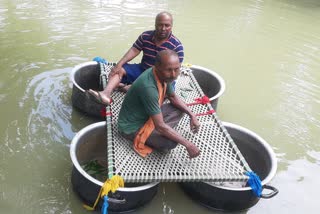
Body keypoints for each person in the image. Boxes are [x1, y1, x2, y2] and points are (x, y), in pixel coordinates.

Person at [118, 50, 200, 159]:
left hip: (147, 116)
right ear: (157, 67)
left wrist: (192, 115)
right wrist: (188, 144)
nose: (173, 74)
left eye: (177, 69)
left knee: (180, 108)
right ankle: (153, 134)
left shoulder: (164, 76)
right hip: (131, 127)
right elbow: (160, 126)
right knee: (170, 143)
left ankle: (158, 132)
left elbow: (172, 97)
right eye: (169, 70)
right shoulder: (148, 88)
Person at [88, 11, 184, 105]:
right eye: (160, 25)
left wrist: (151, 82)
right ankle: (106, 94)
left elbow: (173, 73)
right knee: (119, 69)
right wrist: (119, 64)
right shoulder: (146, 36)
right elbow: (134, 50)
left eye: (167, 25)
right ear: (155, 24)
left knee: (164, 93)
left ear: (171, 26)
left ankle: (127, 88)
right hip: (143, 69)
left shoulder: (176, 46)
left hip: (162, 77)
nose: (163, 28)